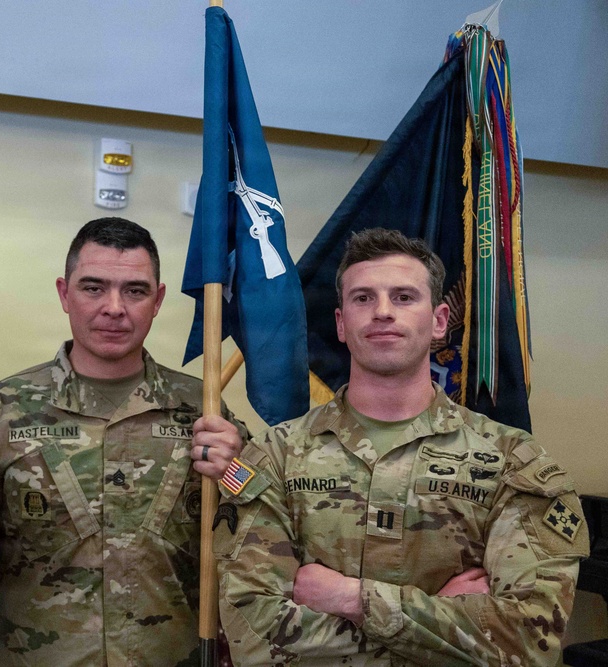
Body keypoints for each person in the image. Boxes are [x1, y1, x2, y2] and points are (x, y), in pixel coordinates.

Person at [211, 228, 589, 666]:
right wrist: (438, 627)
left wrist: (351, 598)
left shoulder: (512, 462)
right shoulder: (275, 456)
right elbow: (252, 636)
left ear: (440, 320)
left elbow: (529, 640)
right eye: (363, 298)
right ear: (341, 322)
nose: (383, 312)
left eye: (405, 297)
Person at [0, 217, 247, 665]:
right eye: (93, 287)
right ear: (65, 294)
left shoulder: (206, 411)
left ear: (157, 300)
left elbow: (257, 539)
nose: (115, 307)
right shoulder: (4, 410)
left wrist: (237, 471)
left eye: (135, 291)